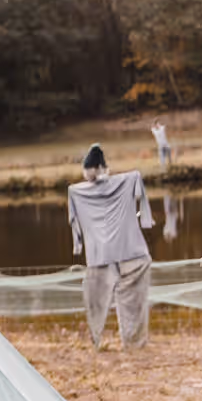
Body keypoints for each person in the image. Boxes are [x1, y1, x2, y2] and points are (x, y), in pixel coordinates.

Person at [68, 143, 154, 349]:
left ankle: (97, 341)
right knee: (133, 303)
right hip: (131, 250)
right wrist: (146, 221)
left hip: (99, 255)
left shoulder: (76, 191)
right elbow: (139, 186)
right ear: (104, 167)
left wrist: (78, 246)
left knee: (95, 303)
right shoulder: (128, 179)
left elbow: (73, 221)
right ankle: (133, 344)